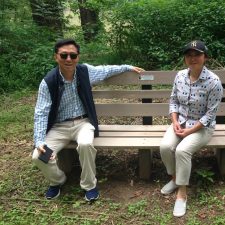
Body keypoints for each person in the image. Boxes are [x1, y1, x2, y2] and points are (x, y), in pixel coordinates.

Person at [32, 39, 144, 201]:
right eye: (64, 55)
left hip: (83, 124)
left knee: (85, 145)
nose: (68, 59)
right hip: (59, 127)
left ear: (77, 57)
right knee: (39, 156)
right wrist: (40, 140)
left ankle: (89, 185)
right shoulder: (48, 82)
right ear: (56, 57)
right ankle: (57, 180)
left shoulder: (85, 71)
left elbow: (106, 70)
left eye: (73, 55)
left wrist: (127, 67)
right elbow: (41, 113)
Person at [159, 40, 223, 217]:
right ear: (185, 58)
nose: (192, 58)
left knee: (182, 151)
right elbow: (173, 101)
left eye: (197, 54)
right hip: (180, 122)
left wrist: (189, 131)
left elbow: (210, 114)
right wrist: (174, 122)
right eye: (189, 55)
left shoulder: (213, 82)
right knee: (165, 147)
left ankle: (182, 193)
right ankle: (174, 178)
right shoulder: (180, 76)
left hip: (202, 127)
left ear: (205, 57)